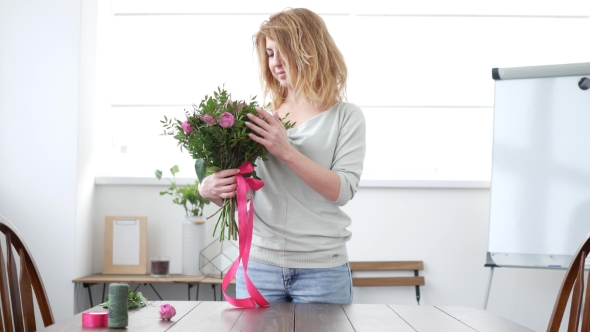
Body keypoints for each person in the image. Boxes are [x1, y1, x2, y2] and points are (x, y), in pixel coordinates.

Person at [198, 8, 366, 304]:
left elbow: (342, 191)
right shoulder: (261, 117)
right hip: (260, 266)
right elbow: (243, 186)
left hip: (322, 271)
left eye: (281, 51)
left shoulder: (346, 117)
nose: (275, 63)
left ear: (308, 49)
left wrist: (287, 151)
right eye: (269, 54)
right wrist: (208, 188)